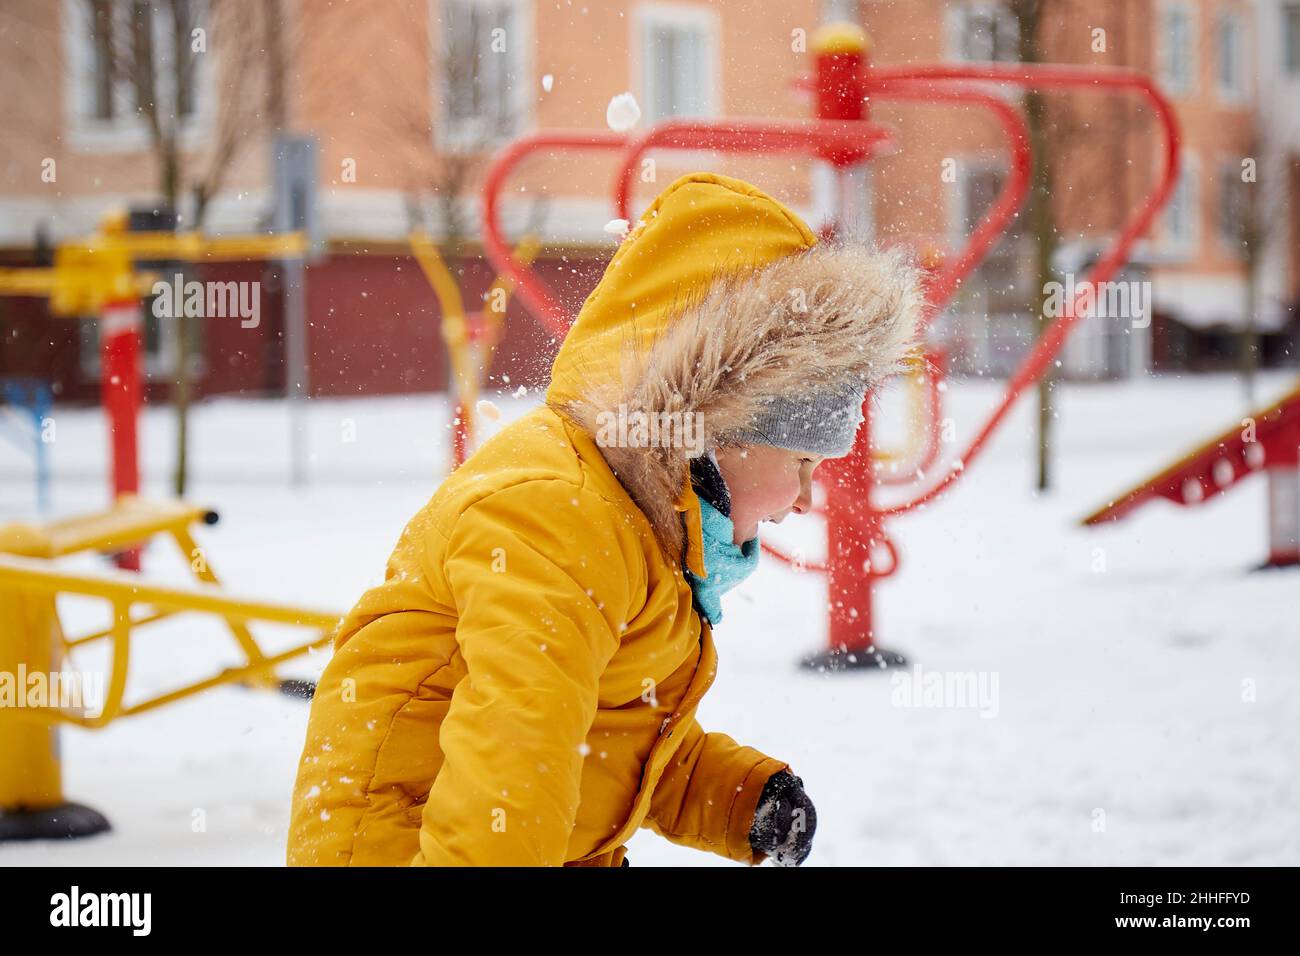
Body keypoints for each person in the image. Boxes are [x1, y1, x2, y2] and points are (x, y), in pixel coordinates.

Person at [286, 171, 923, 867]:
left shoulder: (646, 529)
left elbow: (611, 739)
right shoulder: (557, 513)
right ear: (720, 422)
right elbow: (515, 755)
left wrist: (740, 798)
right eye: (801, 462)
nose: (805, 498)